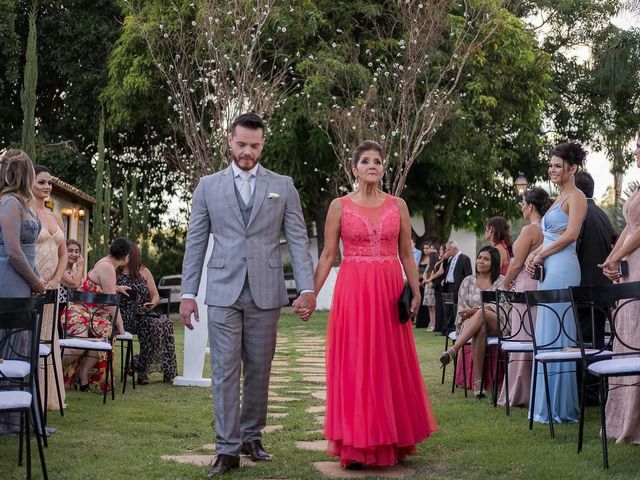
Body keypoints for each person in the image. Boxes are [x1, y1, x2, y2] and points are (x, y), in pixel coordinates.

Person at [179, 113, 315, 477]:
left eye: (254, 146)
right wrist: (188, 292)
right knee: (225, 370)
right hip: (222, 291)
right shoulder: (208, 186)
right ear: (229, 140)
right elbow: (196, 242)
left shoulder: (282, 186)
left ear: (263, 144)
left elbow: (298, 240)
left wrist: (306, 288)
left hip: (266, 291)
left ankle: (252, 436)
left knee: (259, 369)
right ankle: (226, 449)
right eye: (241, 145)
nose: (247, 152)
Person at [313, 140, 437, 470]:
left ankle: (390, 440)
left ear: (384, 169)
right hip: (353, 290)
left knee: (387, 363)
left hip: (387, 288)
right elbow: (328, 255)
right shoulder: (339, 206)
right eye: (365, 161)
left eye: (378, 161)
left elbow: (407, 253)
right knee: (355, 363)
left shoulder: (398, 205)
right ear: (354, 168)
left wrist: (416, 288)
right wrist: (311, 293)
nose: (372, 165)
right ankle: (355, 445)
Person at [525, 141, 588, 424]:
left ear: (572, 168)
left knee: (561, 332)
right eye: (550, 165)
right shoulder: (558, 198)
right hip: (549, 267)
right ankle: (544, 406)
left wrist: (540, 253)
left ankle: (560, 407)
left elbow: (571, 234)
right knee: (547, 331)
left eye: (558, 166)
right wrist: (536, 256)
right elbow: (550, 236)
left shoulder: (577, 197)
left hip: (563, 268)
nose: (552, 170)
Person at [599, 128, 640, 444]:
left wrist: (621, 255)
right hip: (630, 265)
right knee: (627, 332)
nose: (636, 151)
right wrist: (610, 260)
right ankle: (623, 418)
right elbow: (629, 228)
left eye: (639, 146)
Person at [0, 149, 44, 435]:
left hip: (25, 282)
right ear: (23, 173)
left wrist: (37, 279)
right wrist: (36, 282)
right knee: (8, 344)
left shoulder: (23, 203)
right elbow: (14, 252)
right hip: (10, 282)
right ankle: (6, 421)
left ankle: (21, 419)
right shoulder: (8, 203)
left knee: (21, 346)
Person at [498, 187, 549, 408]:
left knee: (522, 338)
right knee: (530, 336)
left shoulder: (530, 231)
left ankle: (519, 391)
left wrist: (506, 282)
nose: (521, 207)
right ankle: (529, 389)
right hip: (535, 284)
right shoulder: (547, 230)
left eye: (522, 203)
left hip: (524, 285)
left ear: (529, 206)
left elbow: (516, 263)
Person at [62, 237, 129, 392]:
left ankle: (83, 374)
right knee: (78, 346)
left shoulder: (106, 264)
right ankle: (52, 368)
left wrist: (117, 288)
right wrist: (121, 325)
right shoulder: (107, 266)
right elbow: (111, 302)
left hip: (93, 314)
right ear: (125, 257)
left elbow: (101, 287)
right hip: (78, 310)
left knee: (105, 332)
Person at [439, 246, 505, 397]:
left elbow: (502, 306)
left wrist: (475, 311)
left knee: (483, 313)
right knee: (480, 329)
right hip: (471, 325)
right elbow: (462, 309)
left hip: (497, 323)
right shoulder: (467, 281)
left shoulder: (501, 281)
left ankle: (453, 350)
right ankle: (478, 384)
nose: (481, 261)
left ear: (494, 262)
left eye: (486, 259)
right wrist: (475, 312)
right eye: (479, 257)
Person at [574, 171, 613, 405]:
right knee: (596, 342)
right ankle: (594, 391)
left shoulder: (581, 214)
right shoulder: (603, 215)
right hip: (602, 288)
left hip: (585, 287)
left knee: (585, 342)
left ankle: (587, 395)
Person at [32, 165, 67, 412]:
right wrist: (37, 281)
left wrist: (56, 279)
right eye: (42, 182)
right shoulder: (23, 213)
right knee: (31, 336)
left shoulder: (54, 217)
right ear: (30, 182)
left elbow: (63, 253)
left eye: (49, 183)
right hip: (33, 286)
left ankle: (47, 398)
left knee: (48, 336)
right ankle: (31, 396)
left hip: (53, 288)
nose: (47, 187)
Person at [117, 242, 177, 384]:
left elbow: (155, 295)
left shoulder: (144, 271)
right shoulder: (114, 271)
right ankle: (141, 370)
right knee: (151, 326)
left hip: (143, 312)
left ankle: (138, 365)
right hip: (122, 316)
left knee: (165, 323)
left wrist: (152, 304)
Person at [441, 240, 473, 333]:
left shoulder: (464, 258)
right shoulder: (450, 259)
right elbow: (448, 271)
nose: (447, 251)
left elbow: (468, 274)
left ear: (455, 248)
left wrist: (466, 288)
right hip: (449, 285)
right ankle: (448, 329)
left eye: (449, 249)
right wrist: (445, 279)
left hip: (458, 286)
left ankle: (456, 328)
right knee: (449, 308)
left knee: (456, 307)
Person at [427, 245, 448, 333]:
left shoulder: (444, 261)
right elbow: (434, 270)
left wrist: (431, 279)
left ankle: (440, 326)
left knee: (440, 306)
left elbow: (441, 271)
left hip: (440, 285)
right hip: (436, 285)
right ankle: (437, 325)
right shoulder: (440, 260)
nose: (440, 251)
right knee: (438, 306)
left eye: (441, 250)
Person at [420, 249, 440, 331]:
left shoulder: (435, 266)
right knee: (429, 307)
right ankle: (431, 323)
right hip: (427, 288)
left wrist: (428, 280)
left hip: (431, 288)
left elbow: (433, 275)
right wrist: (425, 279)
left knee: (433, 307)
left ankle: (434, 324)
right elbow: (424, 274)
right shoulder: (428, 266)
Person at [415, 243, 433, 328]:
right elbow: (417, 269)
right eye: (424, 248)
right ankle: (421, 323)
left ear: (430, 249)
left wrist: (426, 280)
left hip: (427, 281)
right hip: (420, 281)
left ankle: (429, 322)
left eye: (427, 248)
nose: (425, 250)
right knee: (422, 302)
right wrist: (417, 280)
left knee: (428, 304)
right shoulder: (422, 258)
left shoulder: (432, 258)